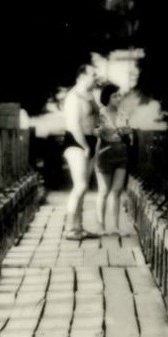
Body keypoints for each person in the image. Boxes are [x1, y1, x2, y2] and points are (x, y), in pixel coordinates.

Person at [60, 65, 100, 240]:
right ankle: (70, 228)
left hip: (90, 141)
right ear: (82, 76)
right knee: (80, 185)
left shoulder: (90, 96)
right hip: (76, 142)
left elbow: (95, 119)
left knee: (84, 187)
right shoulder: (73, 97)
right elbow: (74, 125)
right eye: (93, 75)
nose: (95, 78)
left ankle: (79, 228)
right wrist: (85, 146)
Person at [92, 82, 130, 236]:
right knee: (103, 191)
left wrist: (125, 131)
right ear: (107, 97)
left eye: (119, 95)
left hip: (121, 153)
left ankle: (115, 226)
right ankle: (101, 227)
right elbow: (94, 131)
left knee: (117, 190)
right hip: (104, 153)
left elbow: (128, 130)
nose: (118, 98)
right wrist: (100, 130)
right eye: (115, 95)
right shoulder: (100, 113)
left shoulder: (123, 113)